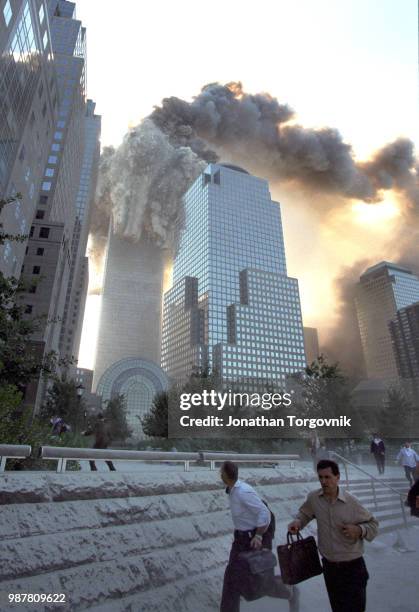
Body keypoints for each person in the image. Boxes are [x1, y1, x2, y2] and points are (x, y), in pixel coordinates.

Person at [288, 459, 378, 612]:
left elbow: (373, 525)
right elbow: (305, 513)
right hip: (330, 568)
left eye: (327, 477)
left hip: (353, 568)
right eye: (320, 477)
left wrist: (359, 530)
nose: (323, 481)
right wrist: (298, 522)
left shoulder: (352, 502)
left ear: (338, 477)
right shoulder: (314, 499)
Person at [220, 461, 299, 612]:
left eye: (221, 472)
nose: (219, 474)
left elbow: (265, 513)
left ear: (225, 475)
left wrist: (259, 536)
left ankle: (290, 591)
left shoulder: (243, 491)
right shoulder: (232, 490)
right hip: (240, 539)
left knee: (261, 582)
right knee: (231, 578)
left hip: (253, 539)